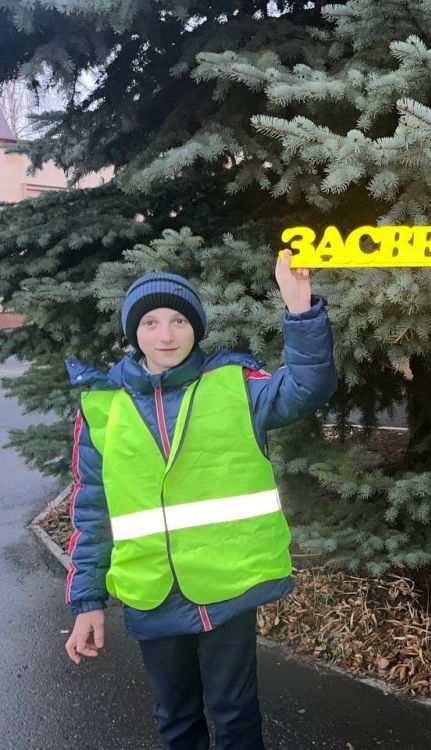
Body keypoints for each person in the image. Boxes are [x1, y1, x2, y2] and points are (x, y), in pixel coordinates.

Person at [63, 250, 337, 750]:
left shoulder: (236, 385)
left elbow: (307, 386)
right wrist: (87, 601)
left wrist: (301, 310)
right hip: (150, 592)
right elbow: (92, 512)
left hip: (227, 588)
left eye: (178, 320)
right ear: (133, 331)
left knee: (235, 715)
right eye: (149, 321)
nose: (165, 335)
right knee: (175, 717)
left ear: (196, 328)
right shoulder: (102, 408)